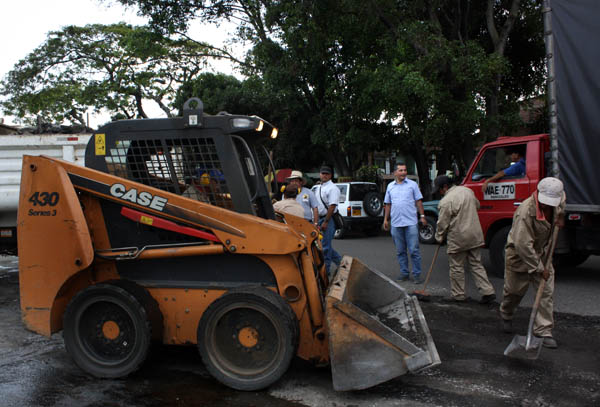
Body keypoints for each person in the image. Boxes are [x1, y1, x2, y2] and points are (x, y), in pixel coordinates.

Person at [499, 177, 565, 349]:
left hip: (542, 253)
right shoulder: (525, 212)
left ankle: (543, 330)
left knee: (545, 292)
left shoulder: (559, 197)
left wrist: (560, 216)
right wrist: (538, 268)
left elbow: (562, 205)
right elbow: (523, 245)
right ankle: (506, 314)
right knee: (514, 291)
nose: (547, 205)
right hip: (520, 255)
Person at [433, 175, 496, 303]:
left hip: (458, 237)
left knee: (456, 266)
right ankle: (487, 291)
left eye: (439, 190)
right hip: (474, 234)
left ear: (444, 187)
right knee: (476, 264)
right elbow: (477, 206)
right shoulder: (467, 191)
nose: (439, 193)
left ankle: (458, 295)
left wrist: (439, 237)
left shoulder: (446, 201)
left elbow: (442, 223)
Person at [383, 163, 427, 283]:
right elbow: (388, 204)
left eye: (405, 170)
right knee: (400, 251)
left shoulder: (412, 185)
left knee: (414, 250)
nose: (403, 172)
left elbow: (418, 201)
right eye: (401, 170)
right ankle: (404, 273)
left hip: (411, 223)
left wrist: (422, 216)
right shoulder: (390, 186)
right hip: (396, 223)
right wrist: (385, 219)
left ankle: (417, 275)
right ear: (395, 173)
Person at [314, 165, 342, 277]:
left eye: (327, 174)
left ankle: (326, 271)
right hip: (320, 218)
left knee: (325, 246)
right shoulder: (319, 187)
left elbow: (332, 206)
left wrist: (326, 221)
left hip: (328, 219)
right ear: (320, 174)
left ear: (330, 176)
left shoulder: (332, 188)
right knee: (323, 245)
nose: (324, 175)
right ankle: (342, 263)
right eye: (323, 173)